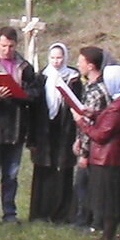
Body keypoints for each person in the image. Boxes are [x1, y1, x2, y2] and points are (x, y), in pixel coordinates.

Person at [0, 26, 39, 224]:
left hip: (16, 127)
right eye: (3, 46)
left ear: (16, 45)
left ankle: (10, 213)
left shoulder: (25, 68)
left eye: (10, 46)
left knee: (11, 175)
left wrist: (19, 94)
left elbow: (35, 93)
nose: (7, 50)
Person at [72, 65, 120, 240]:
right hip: (115, 156)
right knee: (110, 198)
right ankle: (107, 235)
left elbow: (100, 135)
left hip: (107, 158)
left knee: (108, 200)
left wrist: (81, 123)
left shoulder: (119, 106)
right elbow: (108, 121)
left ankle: (107, 237)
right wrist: (93, 114)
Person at [28, 43, 82, 225]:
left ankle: (62, 212)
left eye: (59, 58)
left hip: (64, 129)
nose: (56, 61)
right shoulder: (42, 78)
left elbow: (77, 104)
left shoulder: (73, 78)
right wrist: (32, 138)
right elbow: (34, 107)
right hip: (44, 129)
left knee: (63, 169)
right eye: (53, 58)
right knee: (43, 170)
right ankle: (40, 212)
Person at [72, 46, 109, 232]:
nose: (79, 65)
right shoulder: (89, 86)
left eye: (81, 62)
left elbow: (90, 123)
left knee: (86, 187)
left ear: (91, 66)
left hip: (94, 147)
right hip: (88, 143)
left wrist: (85, 152)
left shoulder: (97, 91)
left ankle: (92, 223)